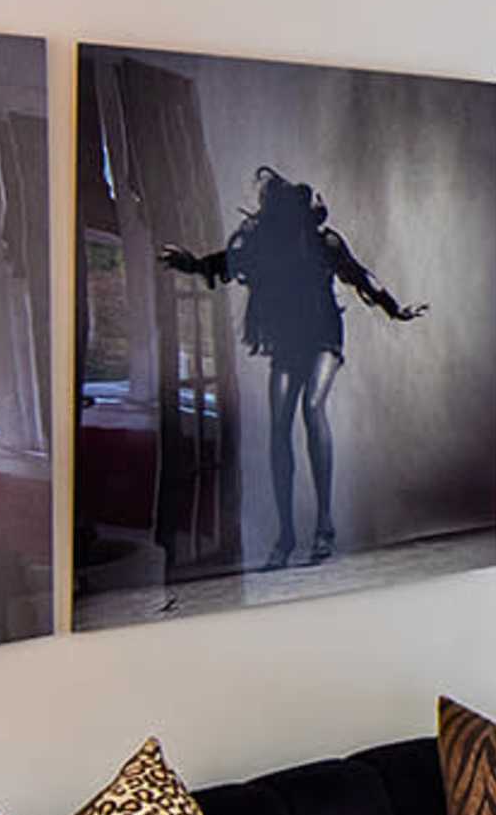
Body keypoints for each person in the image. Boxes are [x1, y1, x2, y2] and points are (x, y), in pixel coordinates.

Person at [160, 168, 428, 571]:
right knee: (279, 426)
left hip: (323, 334)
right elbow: (225, 262)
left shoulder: (325, 243)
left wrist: (395, 309)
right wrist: (192, 264)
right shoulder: (264, 246)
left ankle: (324, 527)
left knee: (312, 407)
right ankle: (287, 534)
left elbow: (360, 276)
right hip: (288, 340)